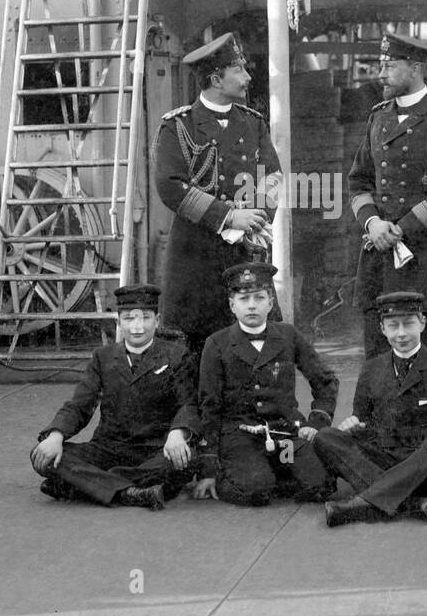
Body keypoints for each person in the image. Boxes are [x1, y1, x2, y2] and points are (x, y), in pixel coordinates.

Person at [153, 31, 283, 360]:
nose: (247, 77)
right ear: (216, 78)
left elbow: (272, 178)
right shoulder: (177, 127)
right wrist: (228, 216)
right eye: (239, 70)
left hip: (245, 253)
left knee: (250, 350)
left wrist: (255, 222)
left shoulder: (254, 124)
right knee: (197, 355)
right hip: (195, 260)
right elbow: (170, 185)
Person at [314, 291, 427, 526]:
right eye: (393, 326)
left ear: (423, 323)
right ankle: (412, 504)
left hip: (426, 469)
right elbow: (362, 420)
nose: (401, 333)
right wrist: (353, 426)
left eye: (408, 324)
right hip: (383, 459)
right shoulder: (371, 369)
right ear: (382, 329)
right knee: (325, 437)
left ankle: (361, 505)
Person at [348, 33, 427, 359]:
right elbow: (359, 182)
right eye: (381, 64)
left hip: (424, 260)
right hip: (378, 259)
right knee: (375, 355)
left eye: (389, 65)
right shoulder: (379, 116)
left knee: (425, 354)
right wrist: (373, 223)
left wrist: (398, 230)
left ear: (415, 68)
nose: (381, 72)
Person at [30, 284, 198, 510]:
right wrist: (56, 435)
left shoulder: (177, 355)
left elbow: (189, 403)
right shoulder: (103, 357)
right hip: (108, 448)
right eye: (129, 319)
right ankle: (129, 492)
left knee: (184, 460)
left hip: (156, 449)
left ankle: (87, 485)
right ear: (118, 321)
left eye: (145, 318)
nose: (137, 327)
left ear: (157, 320)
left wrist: (178, 433)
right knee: (42, 454)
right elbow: (79, 405)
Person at [192, 263, 338, 506]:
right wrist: (209, 468)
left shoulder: (288, 335)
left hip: (284, 435)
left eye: (259, 297)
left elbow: (325, 380)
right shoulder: (217, 343)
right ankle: (252, 475)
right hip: (241, 438)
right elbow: (209, 404)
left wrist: (316, 422)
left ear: (270, 303)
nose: (251, 305)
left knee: (320, 484)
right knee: (256, 490)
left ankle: (278, 470)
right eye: (244, 298)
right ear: (232, 305)